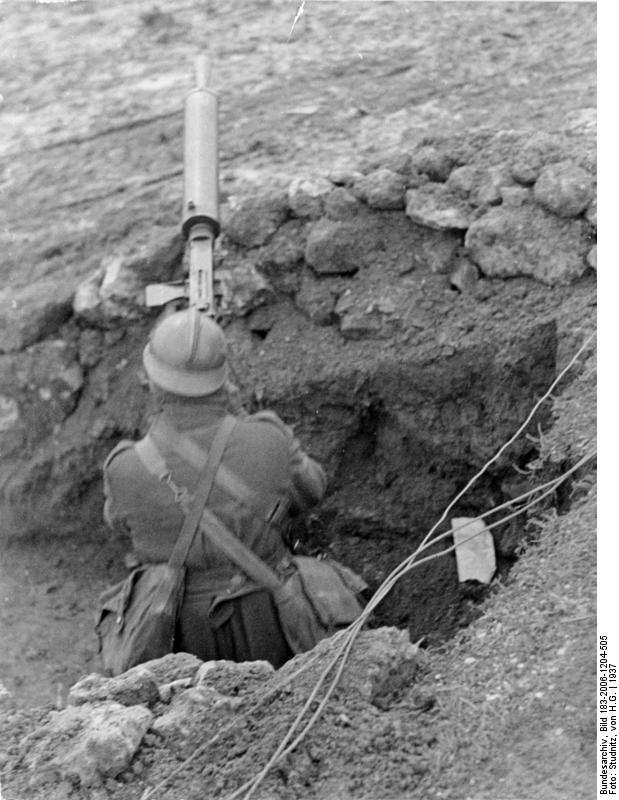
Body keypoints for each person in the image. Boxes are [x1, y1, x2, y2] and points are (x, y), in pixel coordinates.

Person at [103, 308, 327, 669]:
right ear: (223, 379)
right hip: (272, 620)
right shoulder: (268, 436)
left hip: (173, 635)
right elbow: (313, 489)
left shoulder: (125, 466)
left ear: (153, 381)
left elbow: (120, 526)